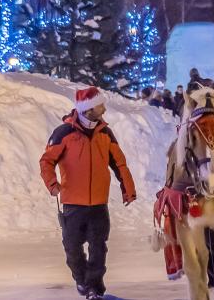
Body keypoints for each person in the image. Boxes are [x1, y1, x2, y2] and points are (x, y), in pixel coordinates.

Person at [40, 87, 136, 300]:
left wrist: (128, 188)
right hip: (73, 204)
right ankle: (82, 280)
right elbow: (46, 161)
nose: (104, 108)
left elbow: (119, 163)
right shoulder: (63, 133)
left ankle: (95, 289)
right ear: (89, 109)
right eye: (100, 105)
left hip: (99, 205)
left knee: (98, 250)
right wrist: (52, 183)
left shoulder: (105, 133)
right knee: (72, 249)